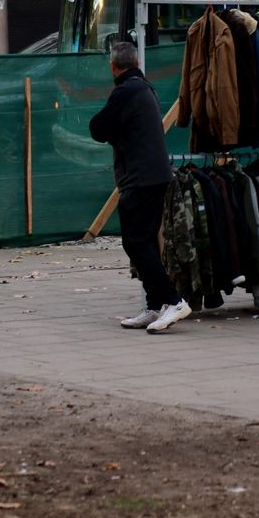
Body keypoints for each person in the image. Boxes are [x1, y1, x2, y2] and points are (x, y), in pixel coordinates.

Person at [89, 41, 191, 334]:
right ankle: (154, 305)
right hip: (155, 175)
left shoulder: (125, 91)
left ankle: (174, 301)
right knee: (143, 242)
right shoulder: (146, 88)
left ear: (113, 67)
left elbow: (97, 127)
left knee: (135, 242)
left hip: (139, 178)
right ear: (137, 63)